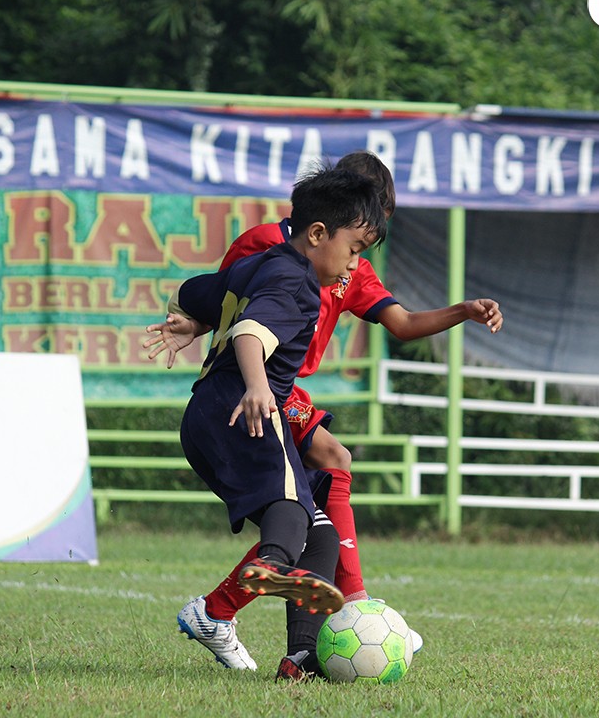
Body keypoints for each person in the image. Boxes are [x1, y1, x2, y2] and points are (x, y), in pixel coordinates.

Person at [147, 150, 503, 663]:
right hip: (260, 392)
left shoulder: (342, 265)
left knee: (319, 524)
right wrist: (221, 345)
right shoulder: (277, 254)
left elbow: (399, 323)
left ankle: (298, 652)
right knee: (313, 492)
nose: (361, 254)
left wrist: (463, 311)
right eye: (360, 237)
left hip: (265, 390)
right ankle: (325, 597)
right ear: (329, 222)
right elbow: (245, 317)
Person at [168, 165, 388, 682]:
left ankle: (302, 658)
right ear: (317, 235)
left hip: (206, 417)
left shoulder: (262, 264)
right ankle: (267, 570)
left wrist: (190, 322)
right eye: (354, 249)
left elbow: (197, 290)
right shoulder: (297, 283)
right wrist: (259, 386)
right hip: (243, 412)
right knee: (289, 514)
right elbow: (250, 331)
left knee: (320, 533)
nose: (355, 263)